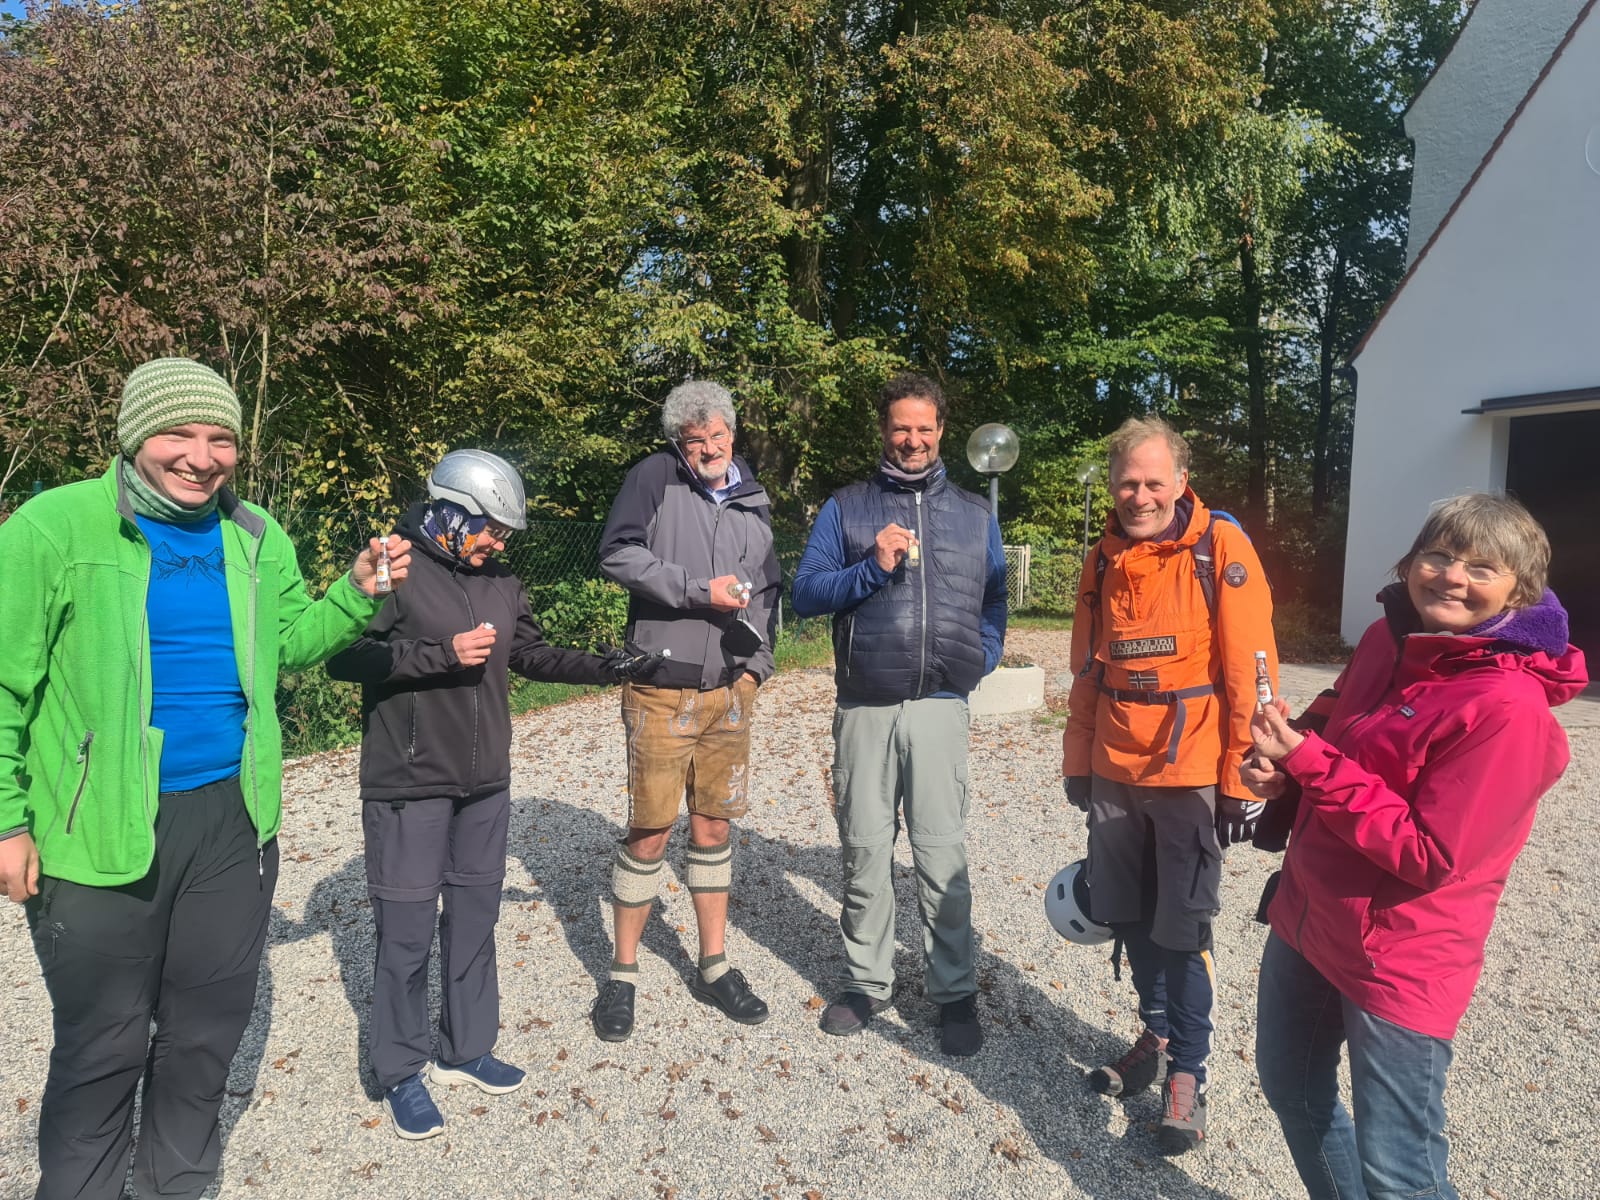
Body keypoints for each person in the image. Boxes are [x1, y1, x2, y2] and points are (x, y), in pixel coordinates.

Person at [0, 357, 408, 1200]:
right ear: (133, 436)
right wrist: (7, 819)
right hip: (95, 825)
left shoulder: (255, 534)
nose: (201, 456)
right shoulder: (53, 527)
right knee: (103, 1042)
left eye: (221, 438)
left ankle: (174, 1184)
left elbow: (288, 645)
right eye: (178, 434)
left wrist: (354, 593)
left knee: (205, 1033)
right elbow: (6, 683)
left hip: (233, 820)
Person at [1244, 494, 1585, 1200]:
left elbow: (1430, 855)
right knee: (1292, 1091)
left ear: (1519, 592)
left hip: (1398, 955)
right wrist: (1283, 766)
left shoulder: (1507, 709)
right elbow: (1337, 719)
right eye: (1440, 554)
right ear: (1410, 563)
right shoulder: (1387, 637)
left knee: (1399, 1171)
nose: (1452, 576)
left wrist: (1310, 762)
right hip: (1310, 917)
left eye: (1482, 567)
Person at [326, 450, 662, 1139]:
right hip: (409, 781)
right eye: (491, 530)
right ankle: (400, 1070)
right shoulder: (394, 568)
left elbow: (529, 654)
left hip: (485, 782)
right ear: (452, 513)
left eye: (506, 534)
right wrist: (439, 655)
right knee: (406, 935)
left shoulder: (501, 580)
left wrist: (608, 667)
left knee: (475, 919)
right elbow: (341, 657)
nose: (498, 544)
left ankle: (466, 1048)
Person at [1061, 414, 1277, 1153]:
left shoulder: (1221, 549)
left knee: (1183, 929)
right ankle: (1154, 1038)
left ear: (1182, 482)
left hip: (1190, 772)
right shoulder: (1102, 559)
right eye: (1128, 482)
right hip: (1115, 771)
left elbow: (1253, 670)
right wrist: (1078, 760)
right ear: (1113, 485)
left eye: (1155, 481)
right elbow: (1087, 670)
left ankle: (1190, 1070)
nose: (1140, 495)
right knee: (1127, 914)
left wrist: (1246, 773)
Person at [791, 371, 1007, 1057]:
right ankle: (867, 983)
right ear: (884, 431)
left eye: (924, 428)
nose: (912, 440)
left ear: (941, 430)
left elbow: (995, 599)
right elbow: (805, 593)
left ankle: (954, 992)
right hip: (866, 706)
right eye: (900, 428)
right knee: (864, 851)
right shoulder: (847, 507)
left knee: (941, 855)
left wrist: (981, 657)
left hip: (941, 707)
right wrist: (872, 568)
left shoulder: (974, 514)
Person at [589, 381, 780, 1042]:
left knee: (713, 827)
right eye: (694, 440)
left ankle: (714, 965)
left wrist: (757, 668)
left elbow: (769, 588)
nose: (708, 448)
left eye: (717, 436)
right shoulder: (654, 478)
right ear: (679, 443)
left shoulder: (753, 497)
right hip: (660, 687)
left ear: (733, 433)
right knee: (650, 830)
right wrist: (699, 592)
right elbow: (617, 554)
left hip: (729, 692)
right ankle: (622, 972)